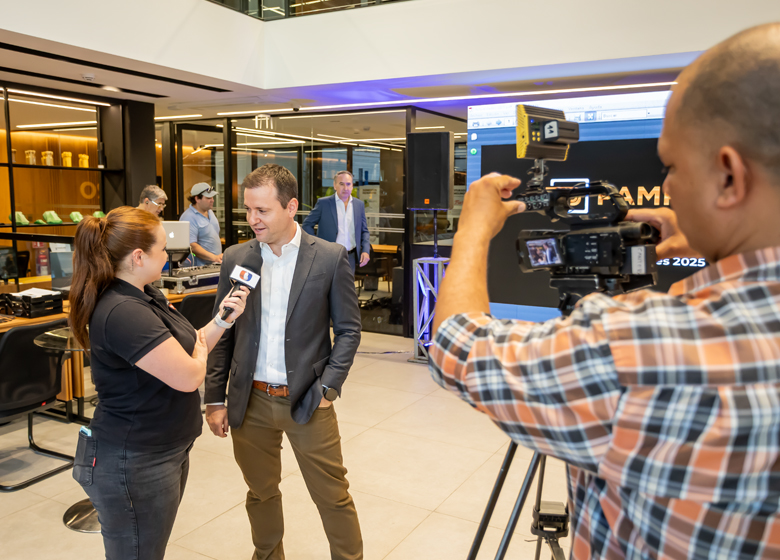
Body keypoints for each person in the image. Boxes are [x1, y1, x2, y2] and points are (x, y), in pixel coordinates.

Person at [429, 23, 780, 560]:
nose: (666, 187)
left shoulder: (642, 346)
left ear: (729, 176)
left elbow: (457, 347)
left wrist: (472, 231)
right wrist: (714, 242)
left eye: (671, 166)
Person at [68, 207, 249, 560]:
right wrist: (197, 360)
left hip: (163, 451)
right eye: (163, 249)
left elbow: (193, 343)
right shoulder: (123, 311)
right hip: (133, 459)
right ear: (138, 257)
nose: (168, 256)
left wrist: (224, 319)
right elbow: (189, 376)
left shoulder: (147, 295)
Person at [205, 163, 363, 560]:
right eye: (248, 210)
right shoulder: (236, 257)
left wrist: (328, 388)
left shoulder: (328, 257)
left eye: (263, 210)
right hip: (250, 401)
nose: (252, 219)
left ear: (291, 207)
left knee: (332, 496)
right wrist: (215, 398)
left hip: (308, 398)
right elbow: (223, 332)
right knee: (260, 492)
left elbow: (349, 330)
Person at [302, 170, 371, 272]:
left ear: (352, 186)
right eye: (341, 184)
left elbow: (364, 231)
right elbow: (307, 225)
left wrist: (365, 250)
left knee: (348, 283)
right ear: (335, 186)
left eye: (348, 184)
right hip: (328, 256)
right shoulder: (324, 203)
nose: (345, 188)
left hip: (350, 257)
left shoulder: (358, 205)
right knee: (327, 282)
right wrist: (316, 245)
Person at [180, 182, 222, 265]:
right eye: (208, 198)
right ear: (197, 199)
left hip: (214, 264)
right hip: (199, 267)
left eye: (212, 197)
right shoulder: (188, 217)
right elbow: (192, 246)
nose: (212, 200)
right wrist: (214, 257)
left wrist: (216, 258)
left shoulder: (210, 212)